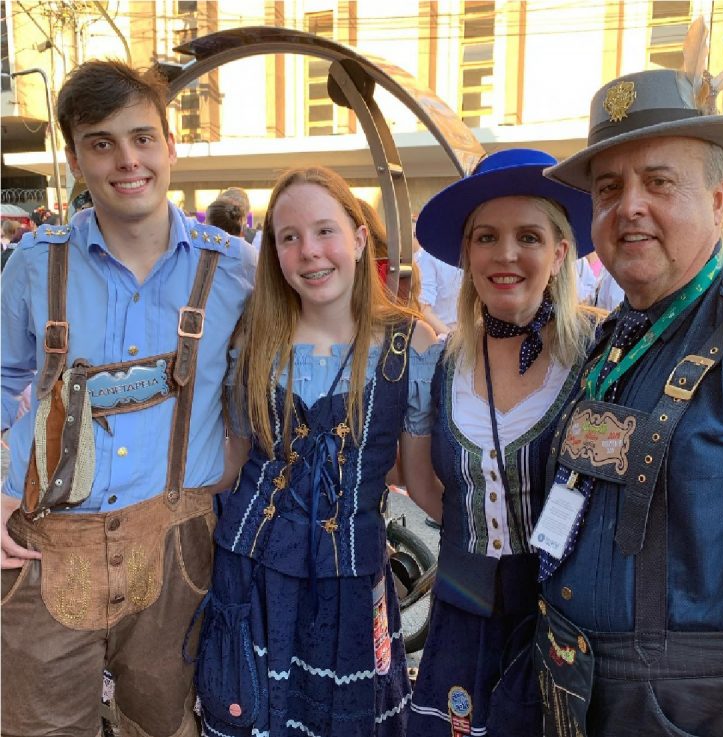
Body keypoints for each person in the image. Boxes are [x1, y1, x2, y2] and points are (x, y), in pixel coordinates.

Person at [536, 57, 723, 736]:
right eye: (608, 188)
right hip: (577, 695)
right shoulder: (617, 332)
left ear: (719, 199)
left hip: (694, 715)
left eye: (659, 182)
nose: (629, 207)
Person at [0, 59, 256, 737]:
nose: (127, 160)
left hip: (177, 548)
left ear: (171, 145)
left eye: (142, 137)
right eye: (101, 142)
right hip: (42, 549)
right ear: (76, 158)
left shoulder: (235, 268)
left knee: (167, 727)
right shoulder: (34, 262)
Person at [194, 166, 443, 737]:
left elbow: (418, 481)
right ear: (273, 252)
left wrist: (494, 538)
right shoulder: (252, 341)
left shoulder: (412, 343)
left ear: (358, 238)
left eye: (325, 231)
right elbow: (228, 469)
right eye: (289, 237)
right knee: (254, 715)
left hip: (351, 582)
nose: (310, 252)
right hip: (251, 570)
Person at [407, 149, 598, 737]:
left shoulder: (599, 354)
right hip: (462, 617)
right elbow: (418, 483)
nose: (506, 254)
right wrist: (471, 539)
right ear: (467, 254)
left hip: (564, 619)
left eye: (529, 236)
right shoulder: (440, 362)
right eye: (486, 237)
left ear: (561, 252)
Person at [412, 213, 463, 336]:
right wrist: (451, 338)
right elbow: (424, 309)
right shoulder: (428, 256)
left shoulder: (467, 252)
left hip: (464, 336)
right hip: (444, 338)